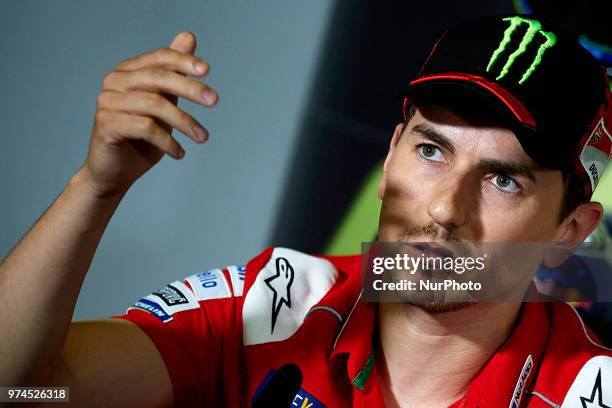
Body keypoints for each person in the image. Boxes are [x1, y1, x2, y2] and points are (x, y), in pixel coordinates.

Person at [1, 14, 611, 408]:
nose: (447, 207)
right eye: (431, 151)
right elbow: (24, 390)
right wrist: (96, 189)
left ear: (568, 231)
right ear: (391, 154)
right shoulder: (271, 308)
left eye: (503, 180)